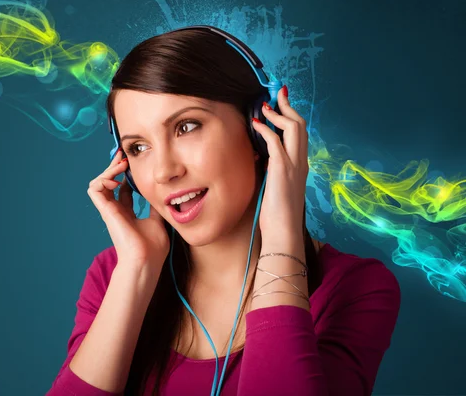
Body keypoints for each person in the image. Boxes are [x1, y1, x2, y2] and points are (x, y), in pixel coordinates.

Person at [46, 26, 401, 396]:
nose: (164, 172)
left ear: (258, 132)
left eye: (186, 126)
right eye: (138, 148)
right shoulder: (113, 275)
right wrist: (135, 270)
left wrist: (282, 238)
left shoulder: (356, 288)